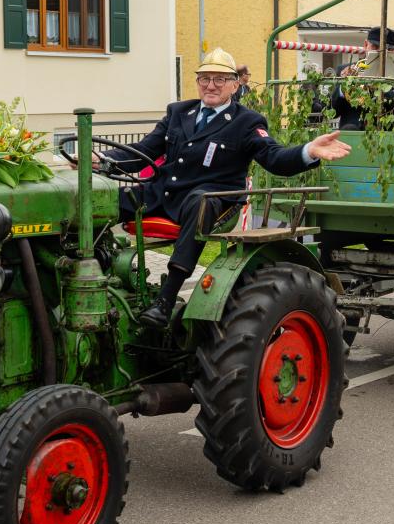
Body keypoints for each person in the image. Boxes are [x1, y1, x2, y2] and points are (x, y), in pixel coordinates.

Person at [96, 48, 351, 327]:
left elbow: (275, 158)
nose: (211, 85)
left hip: (215, 201)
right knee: (98, 201)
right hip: (163, 194)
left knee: (199, 200)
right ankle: (98, 271)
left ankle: (165, 301)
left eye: (219, 79)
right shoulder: (178, 112)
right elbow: (144, 150)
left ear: (234, 84)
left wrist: (308, 151)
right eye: (204, 78)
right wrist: (103, 159)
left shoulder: (246, 121)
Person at [329, 26, 394, 130]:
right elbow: (332, 111)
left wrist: (378, 86)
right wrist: (343, 88)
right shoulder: (344, 69)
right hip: (351, 133)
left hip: (385, 136)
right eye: (375, 47)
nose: (381, 54)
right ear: (366, 45)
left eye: (388, 49)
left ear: (393, 50)